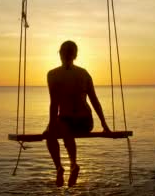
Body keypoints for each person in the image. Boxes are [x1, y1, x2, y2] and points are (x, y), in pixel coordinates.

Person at [43, 40, 111, 187]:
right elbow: (94, 101)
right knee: (62, 127)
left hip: (73, 121)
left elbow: (54, 104)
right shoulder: (84, 73)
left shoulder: (53, 75)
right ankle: (72, 165)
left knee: (52, 132)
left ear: (60, 54)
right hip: (85, 122)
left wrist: (51, 125)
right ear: (76, 55)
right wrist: (104, 124)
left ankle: (61, 167)